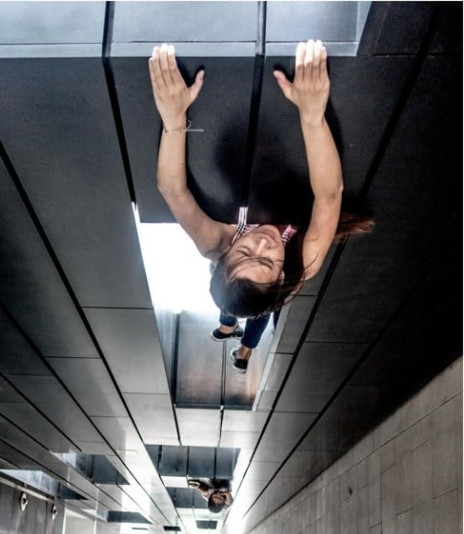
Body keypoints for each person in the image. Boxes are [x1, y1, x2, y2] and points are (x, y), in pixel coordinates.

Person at [148, 40, 372, 372]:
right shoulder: (304, 263)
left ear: (224, 255)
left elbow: (173, 190)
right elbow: (329, 196)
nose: (263, 244)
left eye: (244, 252)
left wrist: (173, 118)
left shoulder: (214, 243)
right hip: (300, 189)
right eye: (267, 261)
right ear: (280, 276)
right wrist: (312, 116)